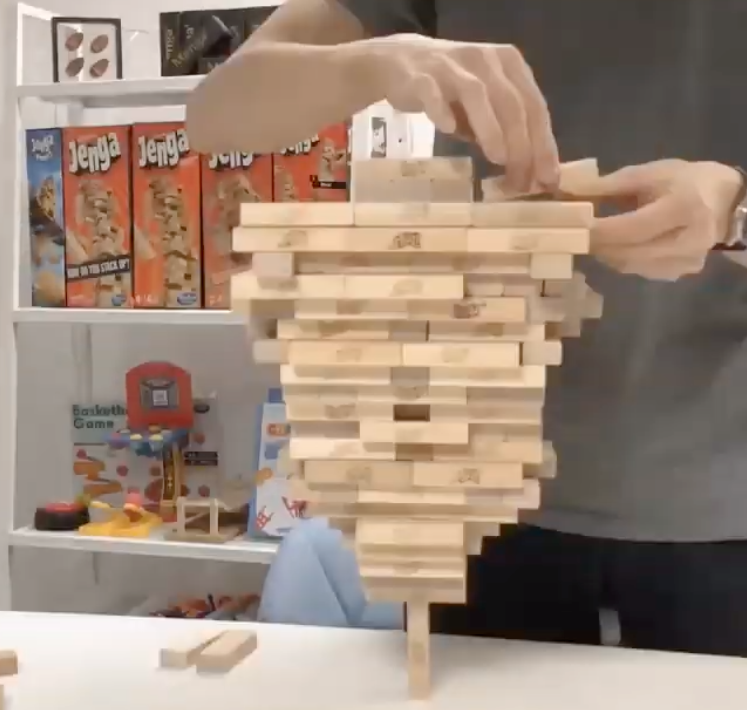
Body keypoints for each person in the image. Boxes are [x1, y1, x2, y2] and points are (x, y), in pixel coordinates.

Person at [189, 0, 747, 656]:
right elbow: (215, 113)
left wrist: (737, 216)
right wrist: (377, 61)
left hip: (722, 500)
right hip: (482, 489)